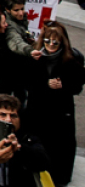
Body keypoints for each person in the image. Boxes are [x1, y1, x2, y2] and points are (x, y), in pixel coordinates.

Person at [24, 22, 84, 185]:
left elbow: (78, 85)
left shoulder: (71, 60)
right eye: (47, 41)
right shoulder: (35, 58)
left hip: (60, 112)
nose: (51, 45)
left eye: (55, 42)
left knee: (60, 147)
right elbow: (26, 82)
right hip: (38, 109)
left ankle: (59, 177)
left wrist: (63, 85)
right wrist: (45, 84)